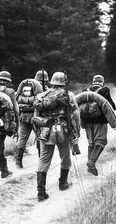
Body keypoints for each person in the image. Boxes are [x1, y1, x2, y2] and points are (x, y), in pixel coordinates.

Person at [32, 72, 81, 201]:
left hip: (46, 129)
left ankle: (41, 192)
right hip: (62, 130)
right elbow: (75, 115)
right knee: (65, 156)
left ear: (52, 82)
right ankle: (63, 183)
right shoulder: (68, 95)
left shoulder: (41, 96)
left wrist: (37, 133)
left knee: (44, 159)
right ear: (63, 82)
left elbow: (35, 117)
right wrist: (76, 132)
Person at [82, 75, 116, 176]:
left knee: (91, 142)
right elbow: (111, 106)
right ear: (102, 82)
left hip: (87, 120)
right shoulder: (104, 90)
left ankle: (90, 168)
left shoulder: (85, 91)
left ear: (93, 82)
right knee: (101, 141)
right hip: (100, 121)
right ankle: (91, 162)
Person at [14, 72, 44, 168]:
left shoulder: (24, 86)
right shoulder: (41, 88)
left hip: (23, 116)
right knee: (41, 137)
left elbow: (16, 98)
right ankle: (42, 161)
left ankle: (18, 162)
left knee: (22, 138)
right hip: (37, 117)